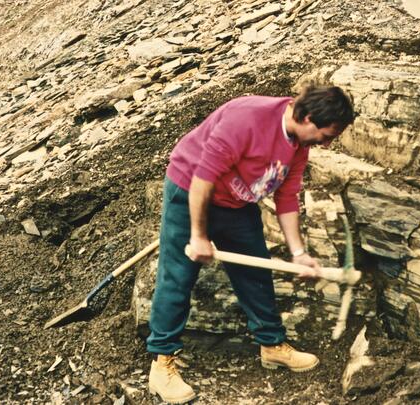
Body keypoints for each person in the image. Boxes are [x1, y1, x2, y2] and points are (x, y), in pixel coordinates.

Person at [146, 85, 355, 403]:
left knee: (255, 273)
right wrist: (199, 236)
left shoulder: (299, 143)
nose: (325, 144)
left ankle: (271, 345)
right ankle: (162, 363)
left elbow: (286, 197)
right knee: (178, 276)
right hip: (190, 189)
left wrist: (299, 253)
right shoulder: (247, 119)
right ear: (308, 117)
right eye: (326, 135)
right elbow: (203, 179)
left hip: (236, 201)